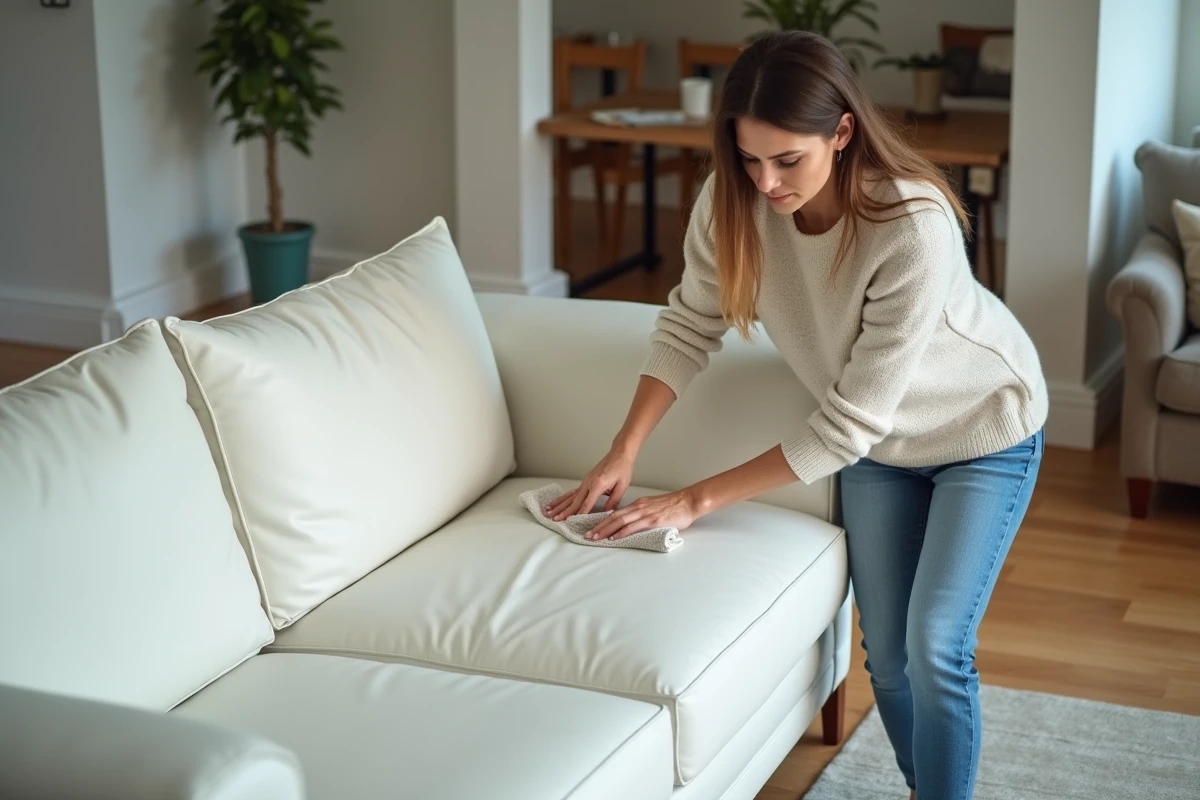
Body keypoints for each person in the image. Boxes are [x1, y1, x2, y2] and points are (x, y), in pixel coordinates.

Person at [545, 29, 1048, 800]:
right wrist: (625, 448)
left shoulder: (910, 225)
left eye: (788, 160)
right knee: (884, 650)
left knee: (936, 644)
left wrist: (691, 499)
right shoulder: (734, 200)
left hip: (982, 431)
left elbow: (848, 424)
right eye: (749, 158)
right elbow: (689, 325)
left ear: (842, 132)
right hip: (882, 451)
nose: (767, 182)